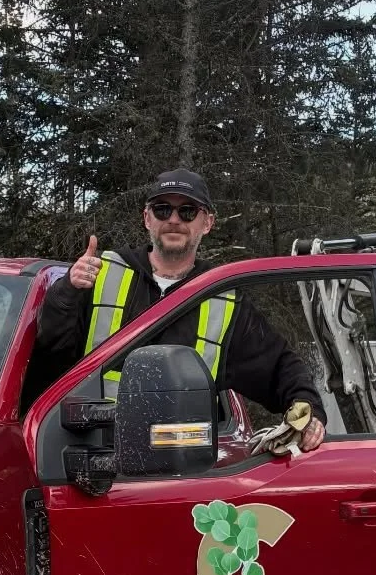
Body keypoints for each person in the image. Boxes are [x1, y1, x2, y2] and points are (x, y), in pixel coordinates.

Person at [36, 168, 326, 451]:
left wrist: (308, 413)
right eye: (162, 210)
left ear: (207, 223)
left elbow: (278, 366)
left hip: (184, 466)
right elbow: (51, 350)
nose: (174, 220)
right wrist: (67, 290)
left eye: (187, 211)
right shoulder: (101, 273)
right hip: (97, 458)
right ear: (147, 218)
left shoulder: (222, 296)